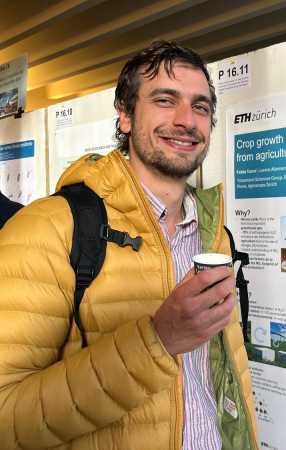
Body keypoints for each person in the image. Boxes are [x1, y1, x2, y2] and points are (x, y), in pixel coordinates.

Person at [0, 41, 258, 449]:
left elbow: (227, 379)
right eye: (164, 100)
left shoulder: (215, 234)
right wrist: (156, 339)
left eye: (201, 106)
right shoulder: (49, 229)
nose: (186, 120)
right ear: (124, 115)